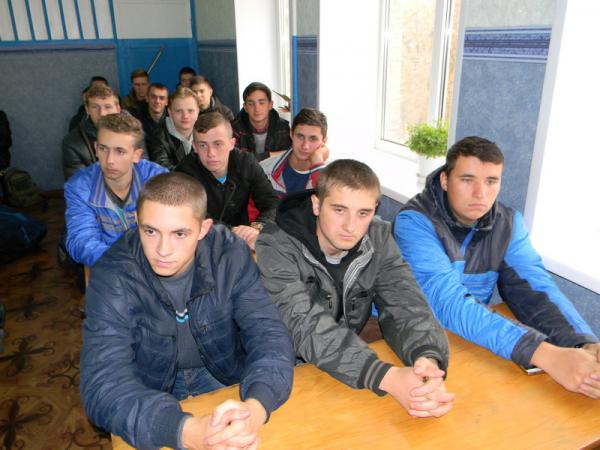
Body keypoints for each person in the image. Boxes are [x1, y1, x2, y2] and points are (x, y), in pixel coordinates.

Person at [80, 171, 295, 449]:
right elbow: (102, 383)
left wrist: (255, 407)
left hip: (225, 374)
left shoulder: (228, 253)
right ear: (136, 221)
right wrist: (186, 431)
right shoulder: (112, 274)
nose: (163, 250)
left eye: (179, 233)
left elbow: (267, 332)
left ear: (204, 229)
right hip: (149, 389)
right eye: (150, 231)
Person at [394, 136, 600, 399]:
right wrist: (545, 354)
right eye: (467, 179)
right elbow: (445, 302)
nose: (480, 193)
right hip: (407, 335)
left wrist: (582, 343)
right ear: (445, 180)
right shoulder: (414, 222)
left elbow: (536, 289)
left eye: (491, 181)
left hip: (470, 339)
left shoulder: (509, 224)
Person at [256, 159, 455, 418]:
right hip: (285, 367)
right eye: (339, 210)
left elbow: (405, 302)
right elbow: (303, 324)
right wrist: (387, 378)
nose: (350, 226)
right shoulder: (275, 245)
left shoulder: (378, 236)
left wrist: (426, 361)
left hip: (345, 361)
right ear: (316, 205)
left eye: (363, 213)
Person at [64, 112, 166, 267]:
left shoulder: (158, 179)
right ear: (96, 148)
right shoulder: (79, 187)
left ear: (137, 155)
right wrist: (125, 264)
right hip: (109, 265)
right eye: (103, 149)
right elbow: (81, 241)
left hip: (154, 261)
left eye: (120, 151)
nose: (110, 160)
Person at [176, 112, 279, 250]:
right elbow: (191, 216)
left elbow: (272, 204)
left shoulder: (246, 163)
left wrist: (258, 226)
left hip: (244, 242)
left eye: (218, 144)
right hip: (201, 245)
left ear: (232, 144)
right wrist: (232, 231)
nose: (211, 153)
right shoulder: (184, 173)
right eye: (203, 145)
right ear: (194, 146)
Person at [260, 108, 329, 197]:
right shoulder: (264, 170)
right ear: (291, 134)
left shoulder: (333, 178)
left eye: (313, 139)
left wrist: (317, 164)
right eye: (300, 136)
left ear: (324, 141)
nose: (305, 146)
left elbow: (327, 199)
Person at [62, 84, 121, 180]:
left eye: (107, 107)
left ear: (118, 109)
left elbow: (143, 171)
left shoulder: (133, 132)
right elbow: (78, 184)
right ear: (87, 109)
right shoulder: (72, 143)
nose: (102, 113)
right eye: (95, 107)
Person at [232, 82, 292, 160]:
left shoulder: (283, 127)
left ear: (270, 105)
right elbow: (236, 160)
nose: (257, 108)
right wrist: (269, 155)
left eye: (262, 103)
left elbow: (288, 157)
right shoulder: (234, 128)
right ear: (245, 107)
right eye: (251, 104)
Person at [148, 87, 200, 170]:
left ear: (198, 111)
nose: (185, 116)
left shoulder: (207, 132)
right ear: (170, 112)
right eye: (179, 111)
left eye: (190, 111)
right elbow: (163, 169)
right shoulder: (157, 136)